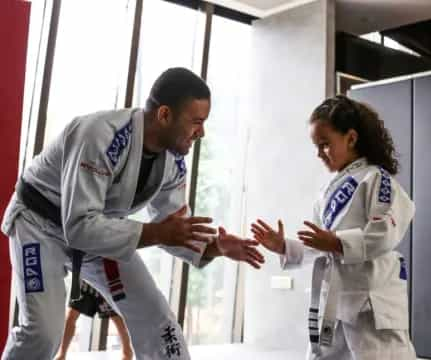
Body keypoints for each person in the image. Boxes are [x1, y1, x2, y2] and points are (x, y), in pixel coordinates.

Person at [2, 67, 264, 360]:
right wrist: (156, 233)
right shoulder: (99, 135)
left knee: (159, 322)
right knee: (43, 332)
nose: (201, 132)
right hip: (39, 225)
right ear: (164, 115)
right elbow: (79, 227)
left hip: (102, 232)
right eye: (196, 122)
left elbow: (170, 226)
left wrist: (215, 247)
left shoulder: (173, 163)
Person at [251, 95, 416, 359]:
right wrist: (284, 246)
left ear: (351, 138)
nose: (319, 154)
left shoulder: (377, 179)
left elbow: (384, 233)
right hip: (336, 298)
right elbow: (319, 243)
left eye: (325, 144)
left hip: (371, 301)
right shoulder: (328, 191)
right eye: (316, 147)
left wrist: (338, 243)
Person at [54, 280, 133, 360]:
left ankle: (127, 352)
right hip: (85, 281)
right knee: (71, 315)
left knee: (116, 318)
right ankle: (62, 354)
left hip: (103, 282)